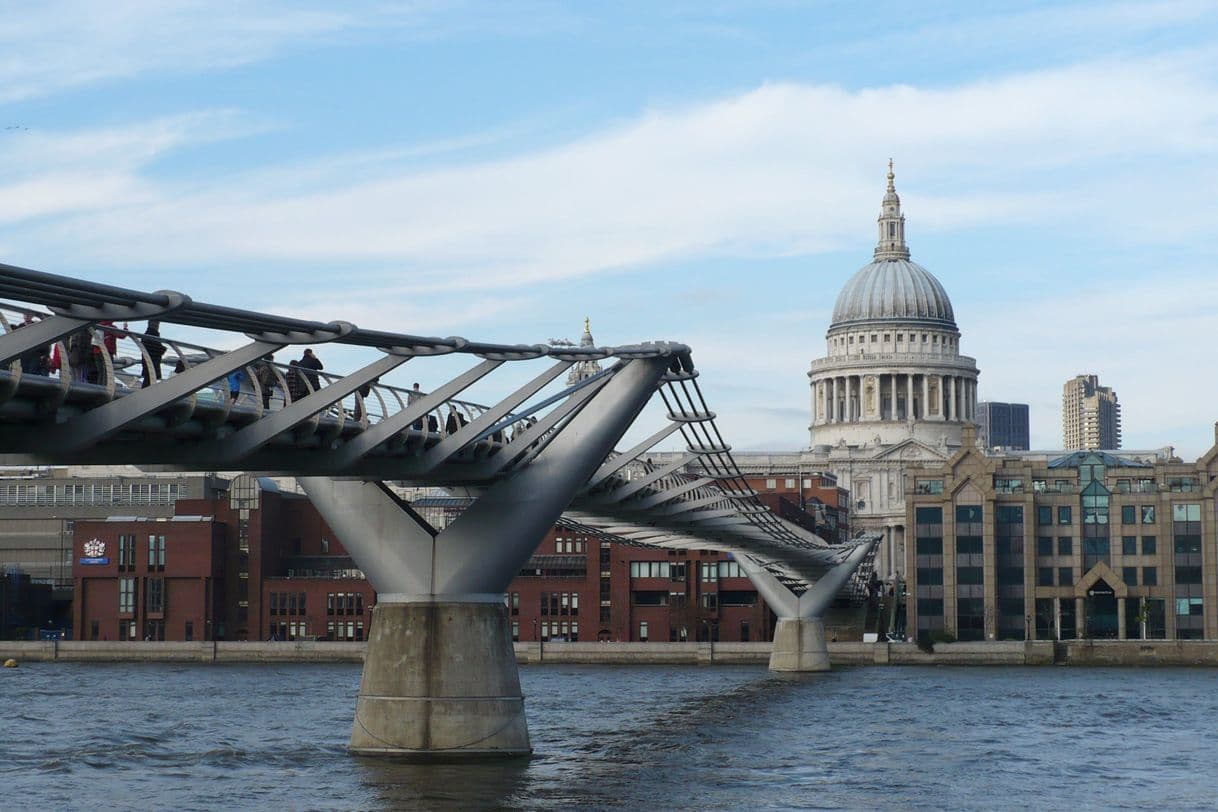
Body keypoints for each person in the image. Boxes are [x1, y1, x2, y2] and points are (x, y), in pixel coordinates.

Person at [140, 320, 165, 388]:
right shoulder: (153, 334)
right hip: (152, 361)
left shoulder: (146, 334)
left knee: (148, 380)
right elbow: (156, 348)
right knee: (150, 380)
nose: (157, 326)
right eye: (157, 324)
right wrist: (163, 349)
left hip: (148, 361)